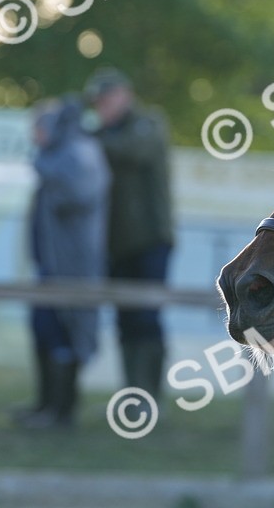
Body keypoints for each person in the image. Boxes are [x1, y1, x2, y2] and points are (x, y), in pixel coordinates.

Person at [15, 98, 110, 429]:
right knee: (44, 332)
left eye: (38, 128)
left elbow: (81, 193)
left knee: (65, 334)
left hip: (73, 267)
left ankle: (62, 411)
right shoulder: (61, 153)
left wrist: (45, 165)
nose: (34, 136)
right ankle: (46, 405)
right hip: (51, 267)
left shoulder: (78, 152)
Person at [84, 68, 174, 401]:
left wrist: (90, 137)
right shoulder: (105, 133)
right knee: (126, 321)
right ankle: (134, 394)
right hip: (117, 244)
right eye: (98, 102)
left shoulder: (148, 123)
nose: (102, 107)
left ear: (125, 94)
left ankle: (151, 396)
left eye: (107, 99)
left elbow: (133, 151)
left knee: (147, 319)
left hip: (150, 241)